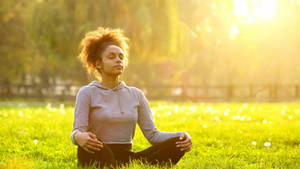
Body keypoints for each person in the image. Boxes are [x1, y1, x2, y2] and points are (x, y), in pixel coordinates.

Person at [71, 27, 192, 168]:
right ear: (98, 63)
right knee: (99, 150)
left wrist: (183, 135)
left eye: (121, 57)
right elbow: (77, 131)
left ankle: (116, 166)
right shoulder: (87, 93)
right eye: (111, 57)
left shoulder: (136, 95)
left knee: (177, 142)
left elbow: (153, 135)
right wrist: (79, 137)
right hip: (97, 152)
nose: (118, 60)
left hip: (127, 158)